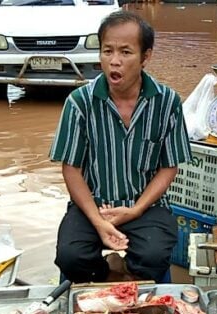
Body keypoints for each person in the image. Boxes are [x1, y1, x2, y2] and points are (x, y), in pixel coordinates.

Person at [49, 10, 191, 283]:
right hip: (93, 206)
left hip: (146, 207)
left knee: (154, 255)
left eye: (126, 52)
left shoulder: (167, 102)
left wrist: (136, 209)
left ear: (145, 57)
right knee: (71, 257)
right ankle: (112, 273)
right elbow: (72, 169)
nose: (114, 61)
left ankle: (127, 273)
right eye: (107, 51)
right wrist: (99, 221)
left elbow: (168, 167)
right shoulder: (79, 102)